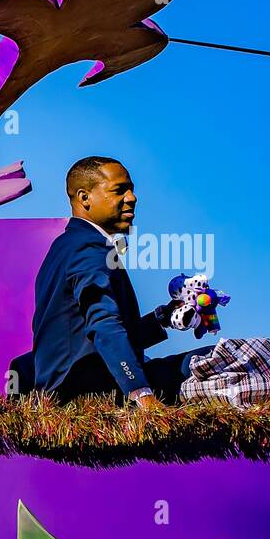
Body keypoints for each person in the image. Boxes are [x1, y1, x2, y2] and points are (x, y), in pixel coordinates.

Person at [30, 156, 210, 408]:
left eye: (132, 190)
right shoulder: (86, 247)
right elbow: (103, 324)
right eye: (120, 190)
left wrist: (163, 318)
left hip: (79, 386)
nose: (132, 198)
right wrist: (140, 392)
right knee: (224, 358)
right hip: (89, 392)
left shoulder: (67, 246)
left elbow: (87, 337)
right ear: (84, 198)